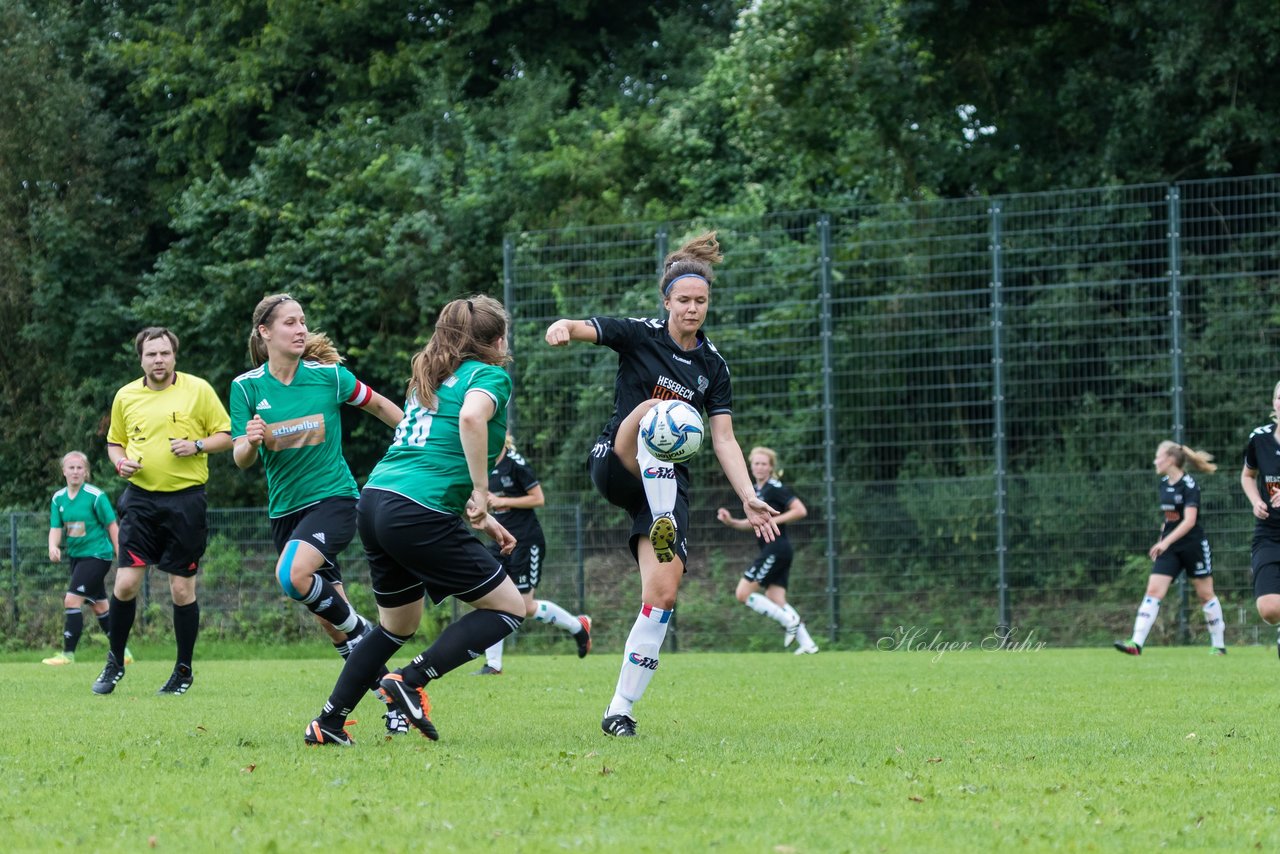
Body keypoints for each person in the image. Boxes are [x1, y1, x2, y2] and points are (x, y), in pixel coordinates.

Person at [544, 230, 779, 738]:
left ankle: (619, 710)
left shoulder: (712, 366)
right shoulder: (640, 333)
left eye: (701, 301)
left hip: (668, 481)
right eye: (684, 300)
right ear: (666, 300)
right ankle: (663, 515)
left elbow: (724, 439)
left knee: (664, 594)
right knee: (657, 411)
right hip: (618, 460)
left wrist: (749, 497)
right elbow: (588, 327)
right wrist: (563, 327)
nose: (692, 309)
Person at [304, 294, 525, 746]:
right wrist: (484, 493)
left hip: (378, 500)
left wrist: (480, 517)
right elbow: (470, 419)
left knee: (396, 627)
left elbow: (435, 459)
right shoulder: (490, 376)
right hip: (414, 512)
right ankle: (409, 680)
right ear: (497, 340)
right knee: (508, 608)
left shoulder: (431, 377)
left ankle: (328, 722)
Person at [230, 294, 408, 734]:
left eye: (303, 321)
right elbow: (240, 458)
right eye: (289, 323)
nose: (300, 329)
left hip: (335, 501)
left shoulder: (329, 376)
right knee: (333, 628)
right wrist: (249, 440)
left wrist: (419, 446)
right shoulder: (246, 387)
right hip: (286, 515)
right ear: (265, 333)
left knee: (292, 576)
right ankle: (395, 699)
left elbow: (383, 407)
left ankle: (365, 630)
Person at [92, 327, 232, 696]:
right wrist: (120, 463)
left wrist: (197, 444)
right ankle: (115, 661)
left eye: (165, 354)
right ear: (141, 358)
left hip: (185, 501)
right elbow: (114, 443)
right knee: (125, 583)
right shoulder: (126, 395)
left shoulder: (197, 390)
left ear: (174, 356)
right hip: (139, 500)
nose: (159, 360)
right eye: (152, 354)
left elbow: (227, 435)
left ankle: (183, 670)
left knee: (181, 590)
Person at [474, 435, 591, 675]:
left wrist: (501, 500)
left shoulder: (515, 463)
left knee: (525, 606)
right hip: (498, 540)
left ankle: (577, 627)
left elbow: (539, 498)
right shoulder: (480, 464)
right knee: (491, 596)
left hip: (526, 541)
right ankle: (493, 665)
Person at [1114, 440, 1225, 655]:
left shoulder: (1189, 485)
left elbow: (1189, 521)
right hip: (1170, 547)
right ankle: (1136, 644)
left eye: (1158, 457)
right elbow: (1170, 518)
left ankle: (1218, 646)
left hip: (1193, 545)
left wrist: (1165, 541)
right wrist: (1161, 540)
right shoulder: (1164, 484)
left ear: (1171, 460)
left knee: (1205, 595)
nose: (1155, 461)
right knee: (1153, 590)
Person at [716, 446, 819, 655]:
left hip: (776, 548)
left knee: (743, 593)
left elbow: (800, 510)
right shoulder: (756, 491)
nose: (760, 467)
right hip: (779, 550)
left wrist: (772, 520)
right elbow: (753, 522)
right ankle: (808, 644)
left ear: (771, 468)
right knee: (775, 597)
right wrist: (732, 522)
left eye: (764, 464)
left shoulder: (774, 488)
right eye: (756, 464)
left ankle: (789, 621)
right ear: (751, 467)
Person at [43, 451, 133, 667]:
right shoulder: (58, 498)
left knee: (71, 600)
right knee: (100, 606)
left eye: (79, 468)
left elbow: (112, 525)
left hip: (97, 556)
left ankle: (68, 654)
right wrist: (53, 546)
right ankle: (124, 653)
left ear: (86, 472)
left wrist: (120, 553)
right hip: (76, 558)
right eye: (71, 468)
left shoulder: (95, 496)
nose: (75, 472)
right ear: (63, 471)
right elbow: (56, 527)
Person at [1241, 380, 1280, 659]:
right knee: (1268, 610)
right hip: (1269, 532)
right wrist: (1256, 500)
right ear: (1274, 403)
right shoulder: (1260, 438)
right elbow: (1247, 476)